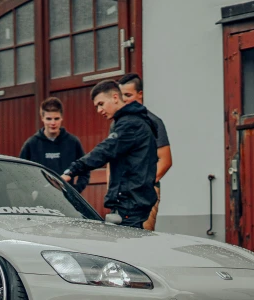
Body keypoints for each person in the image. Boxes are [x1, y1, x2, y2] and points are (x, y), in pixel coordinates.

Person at [61, 80, 158, 229]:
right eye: (96, 107)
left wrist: (73, 170)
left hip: (130, 204)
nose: (99, 110)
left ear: (114, 97)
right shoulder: (134, 121)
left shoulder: (130, 124)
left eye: (101, 104)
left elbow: (104, 150)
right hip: (132, 202)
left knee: (127, 249)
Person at [118, 73, 173, 231]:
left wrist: (141, 185)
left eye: (128, 95)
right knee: (119, 238)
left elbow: (165, 161)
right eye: (121, 96)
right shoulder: (117, 125)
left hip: (145, 193)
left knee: (143, 239)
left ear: (140, 95)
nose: (124, 100)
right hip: (121, 194)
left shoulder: (154, 122)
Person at [19, 97, 89, 193]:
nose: (53, 123)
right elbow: (21, 172)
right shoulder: (31, 144)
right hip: (40, 199)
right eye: (49, 119)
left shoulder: (73, 142)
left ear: (62, 118)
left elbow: (85, 170)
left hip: (67, 199)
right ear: (42, 118)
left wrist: (76, 191)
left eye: (56, 118)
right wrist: (31, 192)